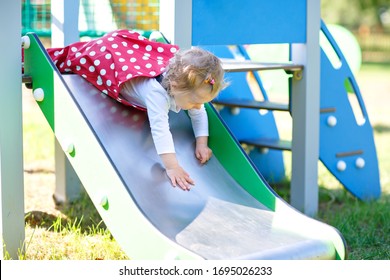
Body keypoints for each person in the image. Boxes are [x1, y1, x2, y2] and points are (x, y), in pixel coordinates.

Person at [47, 29, 227, 191]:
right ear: (175, 85)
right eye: (195, 101)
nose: (198, 106)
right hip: (110, 56)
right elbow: (161, 131)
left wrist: (202, 143)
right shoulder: (156, 94)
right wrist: (172, 166)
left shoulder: (189, 90)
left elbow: (199, 111)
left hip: (129, 53)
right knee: (78, 59)